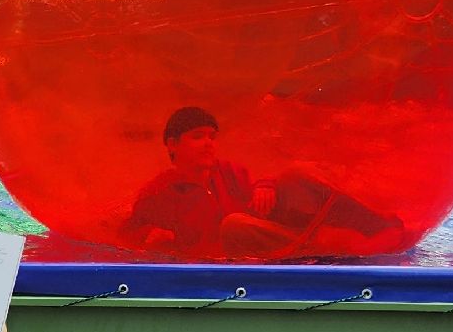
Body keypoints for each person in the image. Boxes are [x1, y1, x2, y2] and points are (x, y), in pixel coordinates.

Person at [123, 107, 404, 260]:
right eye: (198, 136)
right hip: (235, 257)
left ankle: (379, 225)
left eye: (212, 136)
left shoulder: (228, 171)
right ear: (173, 144)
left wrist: (265, 185)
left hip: (270, 234)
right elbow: (128, 236)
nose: (209, 143)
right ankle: (331, 250)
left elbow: (258, 192)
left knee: (295, 174)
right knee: (233, 224)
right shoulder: (159, 194)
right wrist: (155, 239)